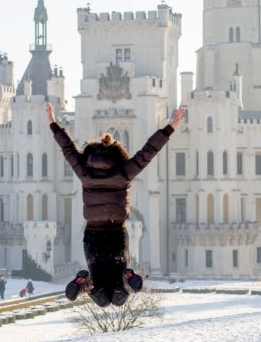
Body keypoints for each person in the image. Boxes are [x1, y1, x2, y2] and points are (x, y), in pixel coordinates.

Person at [47, 101, 184, 308]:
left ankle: (94, 281)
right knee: (116, 297)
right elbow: (148, 152)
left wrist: (53, 123)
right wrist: (170, 127)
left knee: (103, 298)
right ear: (118, 154)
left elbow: (68, 148)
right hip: (115, 234)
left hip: (93, 234)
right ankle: (118, 279)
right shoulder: (123, 173)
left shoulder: (85, 173)